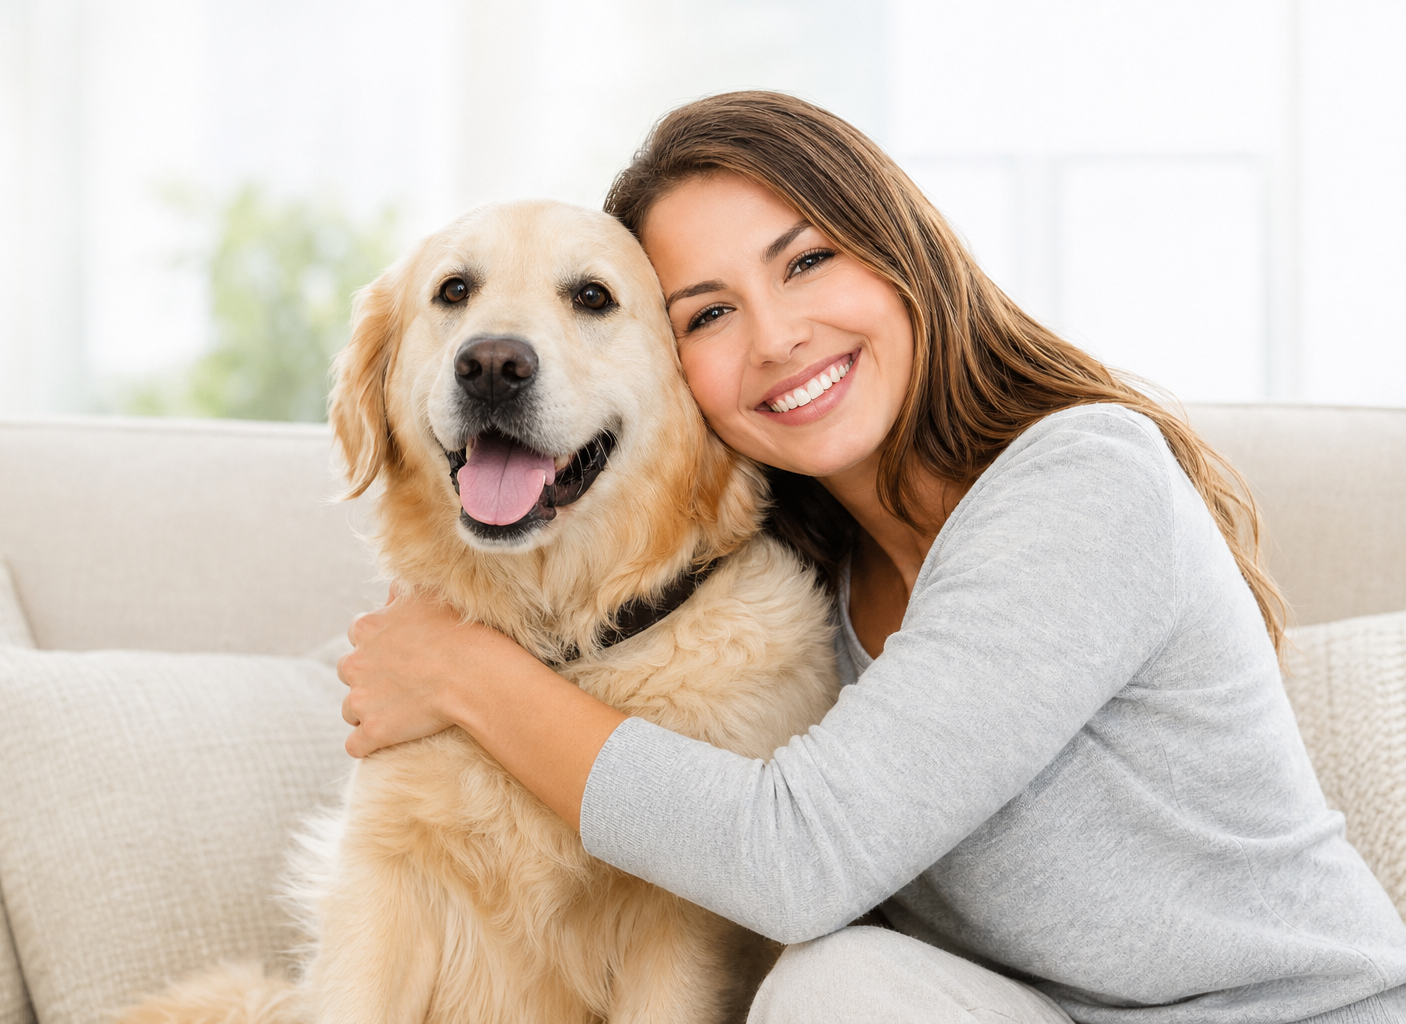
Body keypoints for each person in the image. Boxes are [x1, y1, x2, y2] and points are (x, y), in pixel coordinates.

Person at [336, 92, 1406, 1023]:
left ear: (904, 250)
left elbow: (796, 861)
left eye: (806, 261)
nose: (776, 337)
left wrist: (466, 673)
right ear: (677, 378)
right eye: (710, 313)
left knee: (828, 972)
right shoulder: (806, 583)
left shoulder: (1087, 482)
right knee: (839, 989)